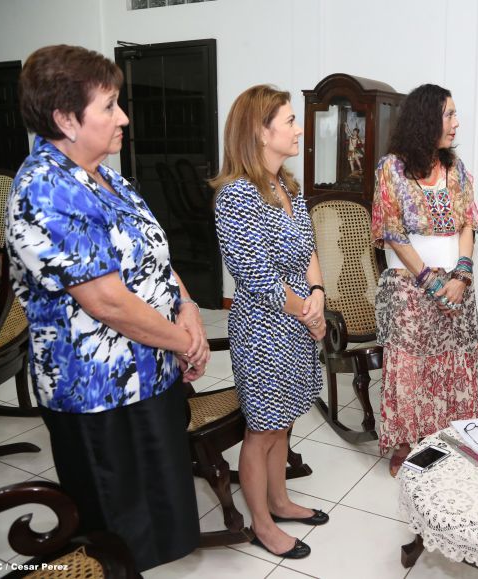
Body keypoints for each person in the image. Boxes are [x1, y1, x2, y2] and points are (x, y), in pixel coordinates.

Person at [6, 44, 209, 572]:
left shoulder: (107, 175)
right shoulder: (45, 188)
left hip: (149, 372)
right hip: (95, 393)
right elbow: (107, 302)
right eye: (110, 106)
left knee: (157, 512)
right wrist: (185, 340)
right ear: (66, 120)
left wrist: (187, 306)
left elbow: (155, 255)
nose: (124, 118)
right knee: (116, 533)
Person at [211, 85, 328, 560]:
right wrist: (309, 313)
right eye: (289, 120)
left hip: (297, 322)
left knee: (283, 424)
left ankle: (279, 501)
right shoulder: (237, 196)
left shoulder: (288, 187)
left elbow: (310, 251)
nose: (299, 129)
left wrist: (318, 296)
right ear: (260, 131)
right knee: (261, 429)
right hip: (262, 329)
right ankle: (260, 523)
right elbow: (257, 275)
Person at [372, 84, 478, 476]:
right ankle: (407, 443)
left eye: (454, 114)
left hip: (456, 287)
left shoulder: (456, 169)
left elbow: (468, 222)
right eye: (449, 115)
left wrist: (462, 275)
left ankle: (448, 437)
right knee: (411, 367)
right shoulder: (392, 168)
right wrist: (429, 283)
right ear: (425, 119)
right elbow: (392, 232)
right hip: (409, 287)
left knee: (453, 364)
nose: (456, 123)